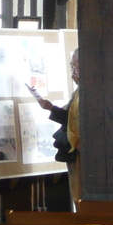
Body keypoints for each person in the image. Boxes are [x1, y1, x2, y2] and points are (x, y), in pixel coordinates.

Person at [31, 49, 80, 207]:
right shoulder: (80, 91)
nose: (73, 70)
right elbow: (70, 118)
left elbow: (78, 120)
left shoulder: (91, 91)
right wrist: (50, 108)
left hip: (82, 151)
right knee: (78, 195)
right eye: (72, 66)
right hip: (75, 150)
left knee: (83, 197)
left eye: (74, 65)